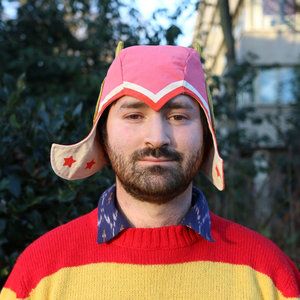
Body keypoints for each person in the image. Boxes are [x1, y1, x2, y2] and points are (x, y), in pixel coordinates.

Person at [1, 43, 299, 300]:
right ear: (102, 134)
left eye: (179, 116)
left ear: (207, 135)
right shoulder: (39, 275)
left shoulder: (270, 277)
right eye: (134, 115)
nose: (157, 138)